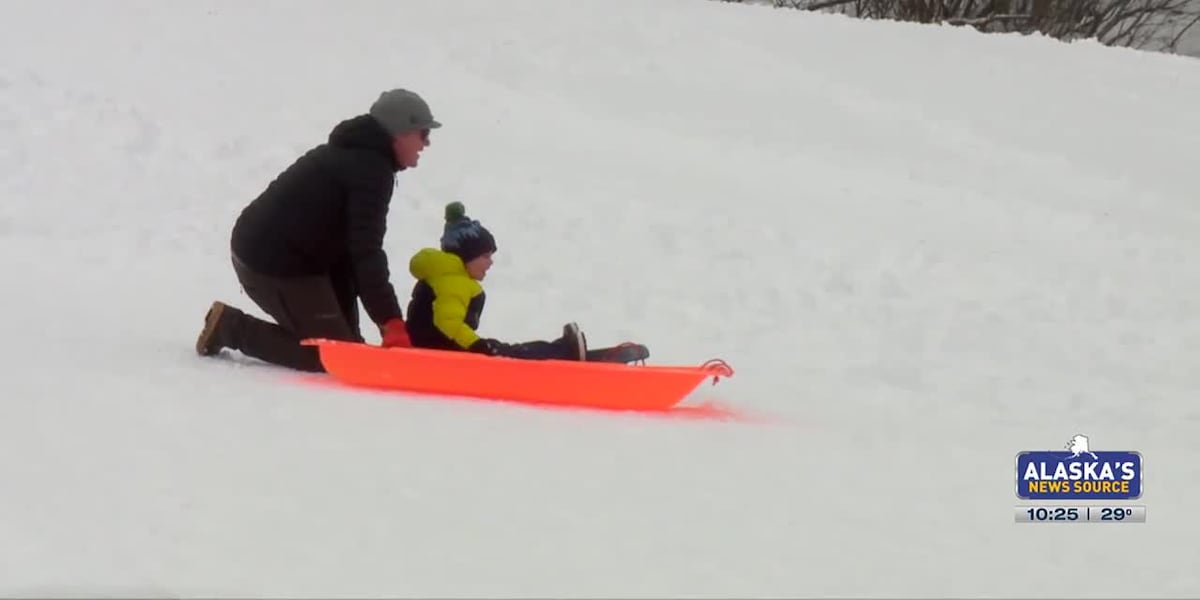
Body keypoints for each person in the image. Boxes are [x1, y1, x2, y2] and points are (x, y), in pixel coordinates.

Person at [194, 88, 439, 372]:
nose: (427, 143)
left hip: (301, 257)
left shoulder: (361, 159)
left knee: (349, 348)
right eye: (423, 134)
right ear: (400, 132)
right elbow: (366, 252)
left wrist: (385, 321)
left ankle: (342, 341)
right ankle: (231, 327)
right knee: (332, 356)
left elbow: (355, 250)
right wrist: (391, 321)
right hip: (270, 262)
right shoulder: (370, 170)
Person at [405, 201, 650, 363]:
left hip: (438, 350)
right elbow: (447, 323)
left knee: (508, 350)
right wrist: (478, 345)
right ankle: (563, 352)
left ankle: (561, 350)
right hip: (439, 355)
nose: (490, 263)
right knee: (510, 354)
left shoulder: (447, 274)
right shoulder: (453, 280)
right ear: (466, 256)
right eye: (485, 256)